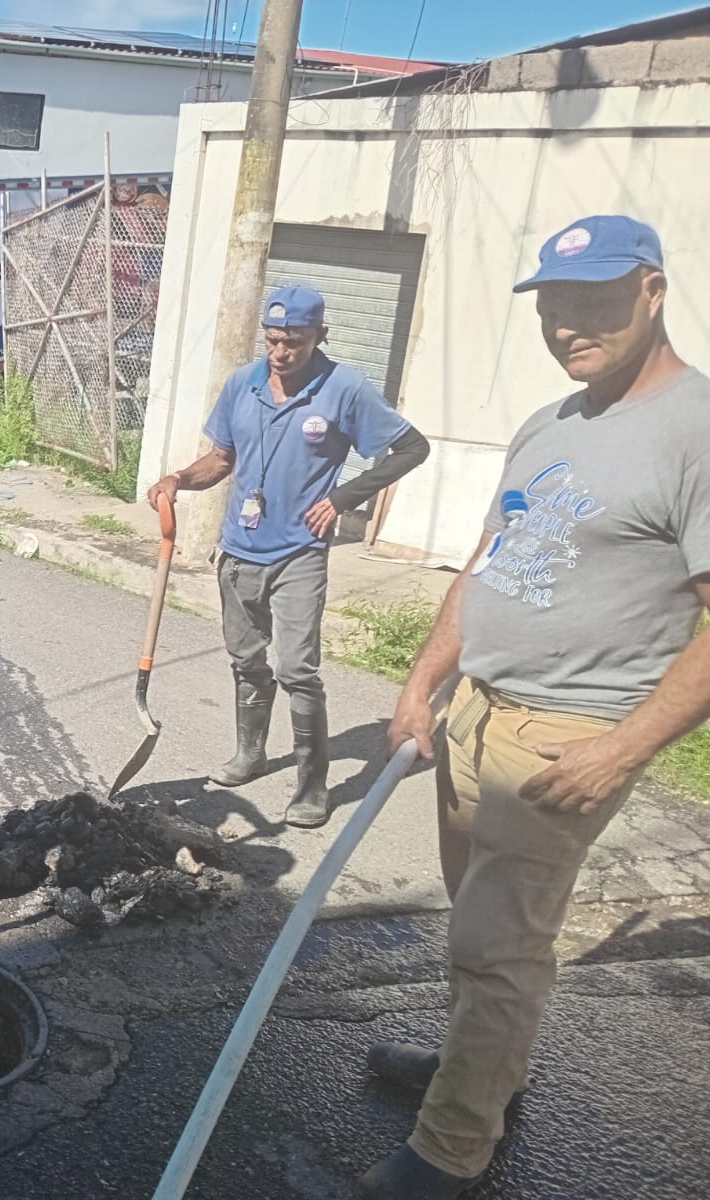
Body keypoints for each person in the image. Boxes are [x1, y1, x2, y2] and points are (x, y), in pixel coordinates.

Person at [357, 216, 710, 1197]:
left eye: (593, 299)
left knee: (498, 947)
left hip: (563, 736)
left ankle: (450, 1152)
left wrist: (622, 749)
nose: (567, 324)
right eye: (553, 305)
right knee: (475, 929)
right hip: (474, 712)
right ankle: (478, 1078)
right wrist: (422, 679)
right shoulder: (549, 424)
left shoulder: (696, 428)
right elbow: (486, 564)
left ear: (651, 288)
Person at [147, 285, 432, 827]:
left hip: (299, 552)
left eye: (294, 342)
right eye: (274, 340)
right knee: (246, 661)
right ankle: (250, 754)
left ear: (319, 337)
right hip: (238, 548)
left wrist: (345, 498)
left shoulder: (344, 387)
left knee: (298, 670)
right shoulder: (243, 383)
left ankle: (312, 785)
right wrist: (179, 480)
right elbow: (221, 459)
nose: (281, 353)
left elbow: (412, 447)